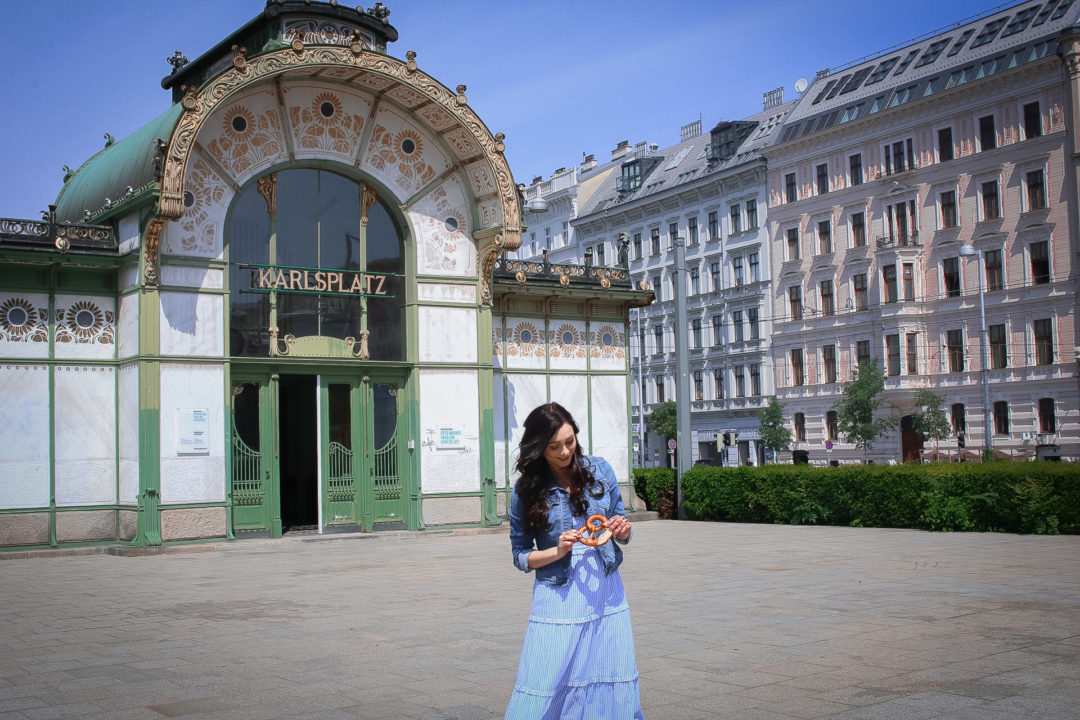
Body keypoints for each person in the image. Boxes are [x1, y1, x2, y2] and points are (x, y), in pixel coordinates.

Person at [506, 402, 645, 719]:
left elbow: (619, 526)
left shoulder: (600, 470)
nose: (565, 452)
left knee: (606, 665)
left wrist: (622, 531)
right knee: (547, 673)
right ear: (538, 448)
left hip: (605, 586)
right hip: (557, 589)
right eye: (554, 446)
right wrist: (558, 551)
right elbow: (520, 555)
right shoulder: (526, 490)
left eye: (569, 442)